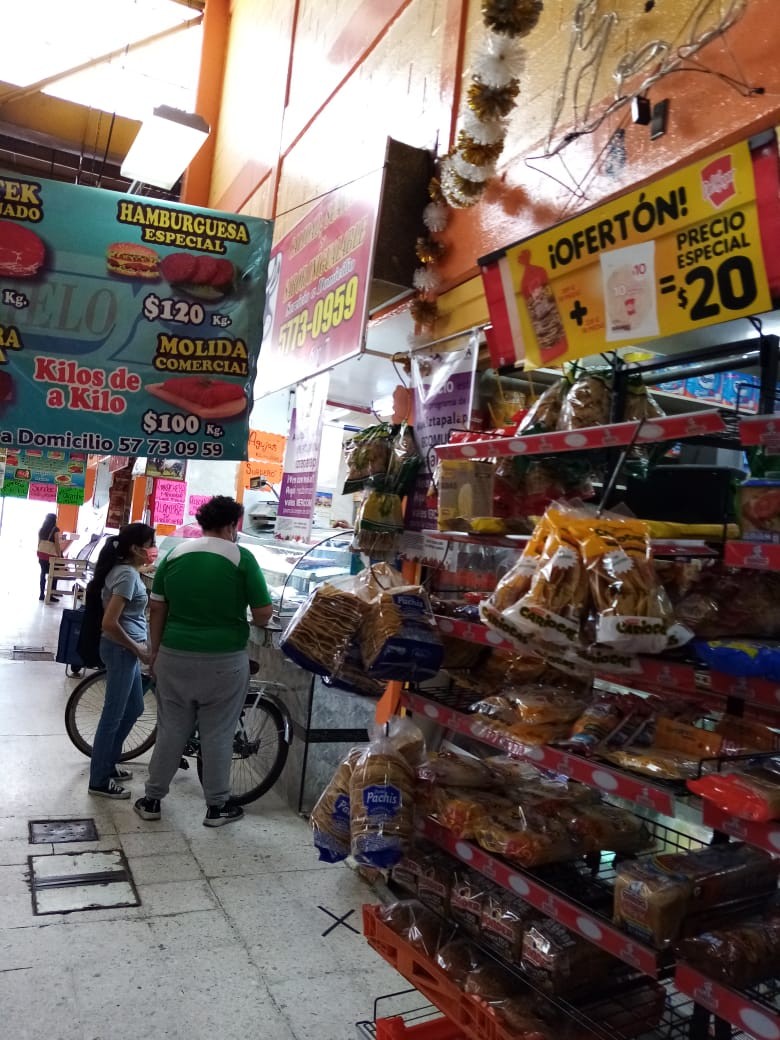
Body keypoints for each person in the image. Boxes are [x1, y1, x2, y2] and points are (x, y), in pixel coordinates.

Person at [135, 496, 273, 827]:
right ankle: (217, 807)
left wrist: (155, 652)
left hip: (173, 656)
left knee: (171, 729)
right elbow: (264, 615)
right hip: (224, 662)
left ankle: (152, 799)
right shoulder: (243, 558)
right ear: (231, 525)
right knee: (218, 733)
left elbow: (157, 608)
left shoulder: (175, 554)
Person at [87, 522, 157, 799]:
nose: (153, 549)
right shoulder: (126, 575)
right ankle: (99, 781)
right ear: (135, 549)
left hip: (123, 650)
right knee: (112, 717)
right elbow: (110, 623)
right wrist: (137, 649)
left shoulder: (128, 572)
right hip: (120, 650)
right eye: (150, 544)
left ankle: (107, 763)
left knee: (134, 708)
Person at [37, 512, 63, 602]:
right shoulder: (55, 530)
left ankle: (41, 594)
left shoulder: (41, 529)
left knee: (43, 573)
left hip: (41, 553)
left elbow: (39, 542)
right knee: (53, 574)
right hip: (50, 556)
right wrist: (59, 556)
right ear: (54, 520)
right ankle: (50, 595)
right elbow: (57, 544)